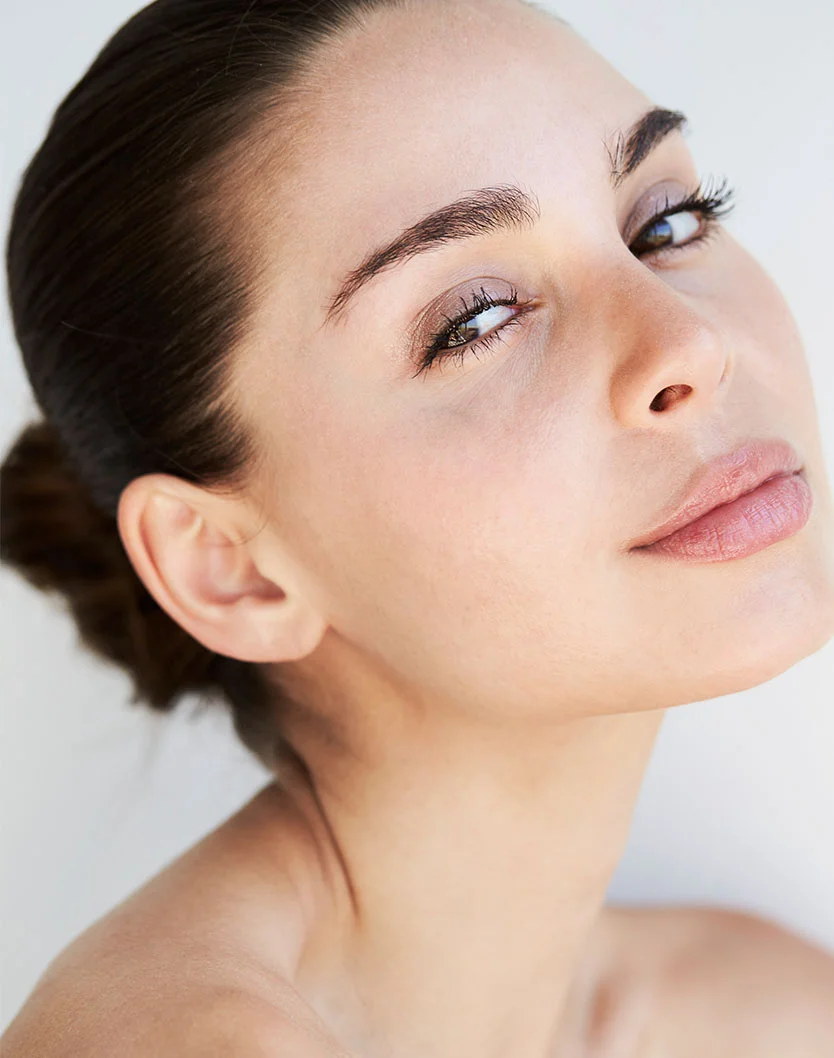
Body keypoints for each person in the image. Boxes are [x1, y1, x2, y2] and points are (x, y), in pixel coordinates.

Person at [2, 0, 834, 1054]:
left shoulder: (771, 1013)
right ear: (230, 568)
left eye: (664, 223)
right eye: (475, 319)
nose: (691, 344)